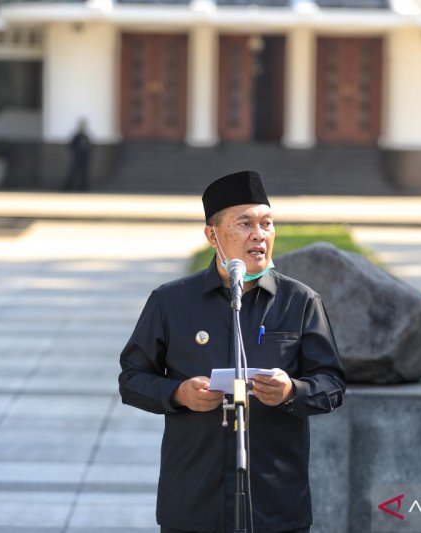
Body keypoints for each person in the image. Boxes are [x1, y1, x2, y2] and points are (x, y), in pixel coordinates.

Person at [118, 170, 346, 533]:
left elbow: (332, 384)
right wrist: (178, 394)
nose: (259, 234)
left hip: (274, 503)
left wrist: (292, 392)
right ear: (213, 235)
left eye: (267, 224)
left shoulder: (300, 301)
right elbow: (131, 380)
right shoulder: (171, 302)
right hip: (194, 500)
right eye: (245, 224)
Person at [62, 119, 92, 191]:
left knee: (84, 174)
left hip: (84, 159)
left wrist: (86, 151)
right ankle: (68, 187)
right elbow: (70, 145)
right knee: (73, 173)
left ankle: (83, 188)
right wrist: (75, 152)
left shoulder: (86, 137)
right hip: (77, 158)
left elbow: (90, 147)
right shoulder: (76, 136)